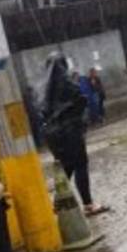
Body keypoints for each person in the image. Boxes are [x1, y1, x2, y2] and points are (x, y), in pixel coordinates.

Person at [40, 53, 107, 215]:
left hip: (52, 135)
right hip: (70, 131)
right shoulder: (67, 84)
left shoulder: (42, 89)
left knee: (65, 167)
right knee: (80, 164)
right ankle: (88, 204)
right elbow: (81, 101)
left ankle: (59, 203)